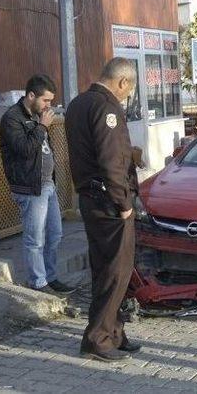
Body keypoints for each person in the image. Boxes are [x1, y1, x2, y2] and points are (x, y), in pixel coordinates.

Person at [64, 58, 141, 362]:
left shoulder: (78, 103)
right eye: (129, 90)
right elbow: (111, 160)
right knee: (116, 272)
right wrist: (123, 203)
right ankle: (97, 338)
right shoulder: (107, 108)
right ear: (122, 82)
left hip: (91, 198)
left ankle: (114, 332)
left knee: (106, 270)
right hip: (109, 202)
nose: (127, 96)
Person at [0, 75, 75, 295]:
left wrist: (41, 124)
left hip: (47, 185)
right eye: (45, 100)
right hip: (30, 188)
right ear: (31, 95)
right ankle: (38, 282)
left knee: (55, 234)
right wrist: (42, 126)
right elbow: (24, 150)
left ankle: (50, 277)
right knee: (35, 239)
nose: (48, 106)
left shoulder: (36, 116)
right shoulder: (12, 118)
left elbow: (43, 150)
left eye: (50, 102)